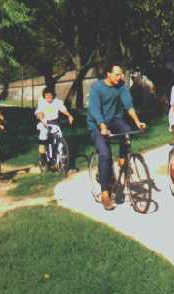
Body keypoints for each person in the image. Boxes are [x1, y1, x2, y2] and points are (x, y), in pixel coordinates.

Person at [87, 64, 147, 210]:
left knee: (126, 130)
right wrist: (102, 126)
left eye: (121, 74)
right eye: (117, 74)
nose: (120, 77)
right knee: (105, 154)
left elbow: (128, 105)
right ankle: (105, 194)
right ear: (108, 74)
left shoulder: (121, 86)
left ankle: (122, 158)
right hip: (97, 123)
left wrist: (138, 122)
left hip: (114, 119)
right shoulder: (97, 88)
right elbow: (94, 108)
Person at [35, 88, 74, 166]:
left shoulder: (57, 102)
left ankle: (60, 161)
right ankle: (43, 156)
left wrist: (69, 116)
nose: (49, 97)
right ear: (44, 96)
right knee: (44, 134)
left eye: (50, 95)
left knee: (60, 139)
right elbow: (39, 112)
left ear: (53, 95)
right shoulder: (42, 102)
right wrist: (42, 119)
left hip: (55, 123)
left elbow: (63, 109)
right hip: (45, 123)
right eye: (47, 95)